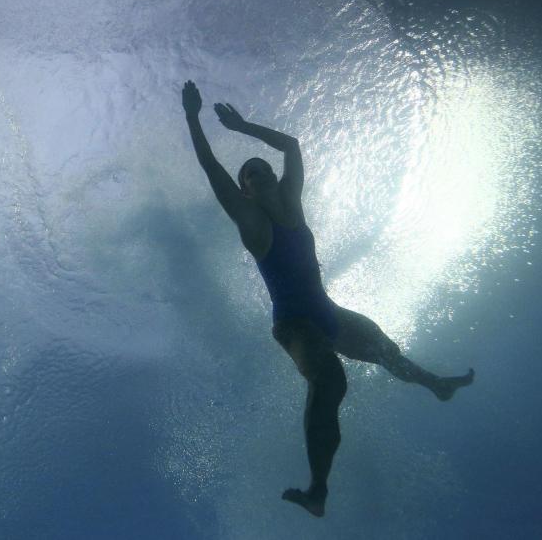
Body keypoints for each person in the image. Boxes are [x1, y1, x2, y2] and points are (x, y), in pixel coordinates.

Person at [180, 80, 473, 517]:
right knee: (331, 380)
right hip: (295, 324)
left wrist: (243, 127)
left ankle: (436, 384)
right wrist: (192, 116)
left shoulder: (292, 201)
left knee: (385, 350)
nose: (258, 176)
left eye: (262, 170)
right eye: (250, 176)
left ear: (275, 180)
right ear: (246, 191)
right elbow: (209, 167)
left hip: (329, 313)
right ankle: (317, 490)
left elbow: (292, 145)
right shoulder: (250, 220)